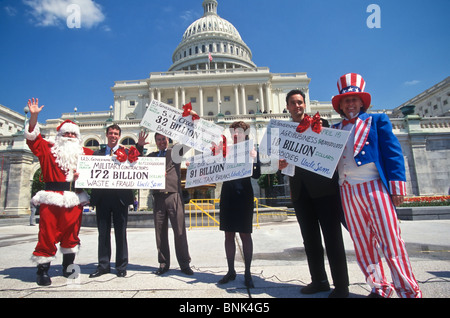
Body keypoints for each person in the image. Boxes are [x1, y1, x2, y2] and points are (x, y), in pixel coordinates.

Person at [331, 73, 422, 298]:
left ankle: (408, 290)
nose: (350, 103)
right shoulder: (333, 129)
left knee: (391, 241)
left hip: (374, 187)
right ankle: (379, 287)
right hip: (347, 190)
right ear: (340, 105)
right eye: (346, 100)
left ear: (362, 102)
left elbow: (393, 154)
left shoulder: (377, 120)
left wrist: (397, 187)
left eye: (354, 99)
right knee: (362, 244)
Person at [278, 90, 350, 298]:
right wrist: (281, 164)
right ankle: (319, 280)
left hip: (325, 191)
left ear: (304, 104)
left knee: (333, 237)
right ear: (287, 106)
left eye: (300, 102)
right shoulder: (284, 131)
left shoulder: (321, 124)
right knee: (310, 240)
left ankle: (342, 285)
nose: (297, 106)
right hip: (300, 192)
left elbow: (332, 153)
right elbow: (282, 162)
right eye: (293, 103)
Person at [25, 98, 93, 286]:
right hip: (52, 198)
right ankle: (43, 270)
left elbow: (107, 166)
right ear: (59, 135)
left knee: (71, 234)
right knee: (47, 234)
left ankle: (68, 267)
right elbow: (32, 138)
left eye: (73, 134)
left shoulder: (86, 153)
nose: (70, 136)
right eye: (66, 133)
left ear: (77, 137)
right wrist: (34, 116)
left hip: (74, 198)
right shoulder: (48, 149)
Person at [137, 132, 193, 276]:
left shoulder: (174, 152)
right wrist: (139, 146)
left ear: (167, 140)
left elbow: (188, 142)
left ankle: (184, 264)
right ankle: (163, 263)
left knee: (179, 231)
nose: (162, 142)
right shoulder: (151, 156)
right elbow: (135, 163)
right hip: (158, 196)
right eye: (159, 140)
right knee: (160, 232)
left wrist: (190, 121)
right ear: (155, 141)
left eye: (163, 139)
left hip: (173, 194)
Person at [217, 121, 261, 288]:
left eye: (240, 132)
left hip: (244, 195)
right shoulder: (225, 151)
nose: (237, 134)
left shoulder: (252, 151)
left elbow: (257, 175)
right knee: (228, 235)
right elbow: (215, 170)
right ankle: (230, 271)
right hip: (228, 194)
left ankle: (248, 272)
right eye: (234, 132)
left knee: (245, 234)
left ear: (245, 134)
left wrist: (254, 159)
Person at [89, 124, 136, 278]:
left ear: (119, 136)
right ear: (106, 135)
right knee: (103, 233)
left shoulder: (128, 153)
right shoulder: (97, 154)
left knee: (121, 233)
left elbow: (139, 166)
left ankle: (121, 266)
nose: (113, 136)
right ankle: (103, 265)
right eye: (111, 133)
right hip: (102, 198)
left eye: (116, 133)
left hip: (120, 198)